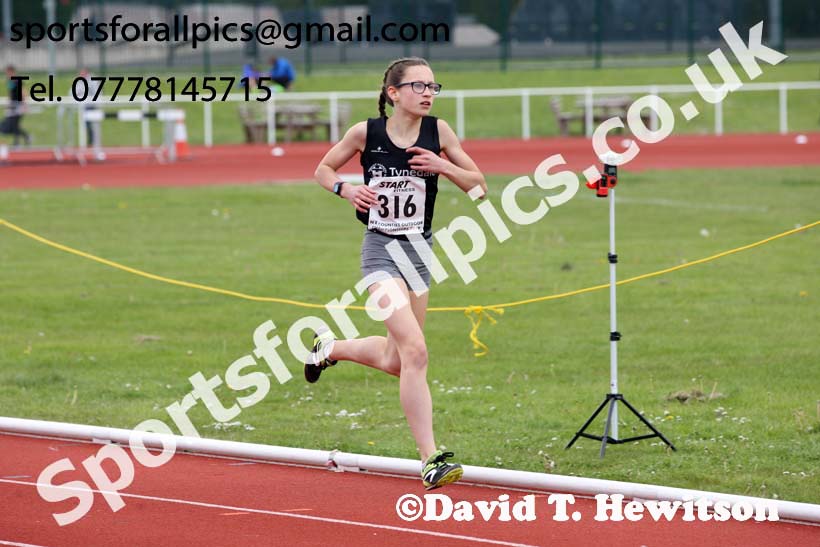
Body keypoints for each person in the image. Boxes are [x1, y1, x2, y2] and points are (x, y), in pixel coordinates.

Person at [309, 57, 487, 490]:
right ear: (394, 93)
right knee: (417, 351)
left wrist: (443, 165)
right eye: (419, 85)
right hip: (380, 256)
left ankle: (330, 347)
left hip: (420, 255)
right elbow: (323, 169)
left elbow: (480, 187)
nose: (428, 93)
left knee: (396, 360)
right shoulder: (364, 133)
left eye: (433, 86)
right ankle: (431, 459)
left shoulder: (439, 132)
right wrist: (346, 188)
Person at [1, 65, 31, 146]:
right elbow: (10, 93)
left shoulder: (17, 80)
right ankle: (26, 136)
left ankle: (17, 142)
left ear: (12, 72)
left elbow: (23, 92)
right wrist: (8, 105)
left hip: (18, 105)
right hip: (12, 106)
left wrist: (25, 105)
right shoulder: (10, 81)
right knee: (11, 125)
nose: (7, 74)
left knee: (14, 124)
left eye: (8, 73)